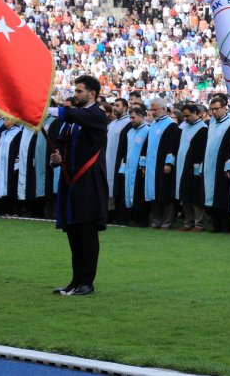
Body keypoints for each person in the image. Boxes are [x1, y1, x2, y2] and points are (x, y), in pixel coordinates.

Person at [49, 75, 108, 296]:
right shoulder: (74, 121)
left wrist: (50, 110)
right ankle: (75, 281)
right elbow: (63, 144)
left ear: (92, 93)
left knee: (87, 231)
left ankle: (87, 282)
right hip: (70, 181)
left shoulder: (96, 114)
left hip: (88, 181)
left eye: (79, 91)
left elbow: (76, 115)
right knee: (73, 231)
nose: (76, 95)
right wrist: (56, 157)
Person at [143, 98, 180, 229]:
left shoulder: (171, 125)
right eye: (151, 109)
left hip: (163, 165)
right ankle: (156, 220)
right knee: (153, 193)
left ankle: (167, 221)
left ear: (163, 109)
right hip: (152, 164)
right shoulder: (153, 124)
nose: (152, 112)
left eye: (155, 109)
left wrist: (169, 163)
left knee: (165, 192)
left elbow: (173, 146)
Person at [203, 95, 230, 233]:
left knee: (224, 196)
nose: (214, 112)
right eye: (212, 109)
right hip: (210, 165)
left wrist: (228, 165)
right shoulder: (211, 123)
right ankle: (216, 225)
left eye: (216, 109)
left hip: (223, 165)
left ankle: (226, 226)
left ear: (224, 108)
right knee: (212, 196)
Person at [175, 103, 208, 232]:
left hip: (193, 169)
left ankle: (199, 224)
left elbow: (200, 152)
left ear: (196, 113)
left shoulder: (202, 129)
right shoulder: (185, 128)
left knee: (195, 198)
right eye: (184, 116)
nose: (186, 118)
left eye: (188, 116)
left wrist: (196, 170)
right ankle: (188, 222)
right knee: (185, 196)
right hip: (182, 167)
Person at [116, 105, 149, 227]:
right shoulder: (129, 132)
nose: (131, 120)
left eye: (133, 117)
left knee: (139, 194)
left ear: (141, 116)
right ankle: (131, 217)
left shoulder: (148, 130)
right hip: (129, 167)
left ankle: (142, 220)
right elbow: (126, 151)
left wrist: (143, 165)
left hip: (140, 168)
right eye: (130, 118)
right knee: (128, 194)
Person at [106, 98, 130, 221]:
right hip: (108, 160)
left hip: (119, 162)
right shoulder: (111, 124)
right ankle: (110, 214)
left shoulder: (128, 123)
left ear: (125, 108)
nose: (115, 108)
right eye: (114, 105)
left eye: (118, 105)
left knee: (118, 188)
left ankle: (120, 216)